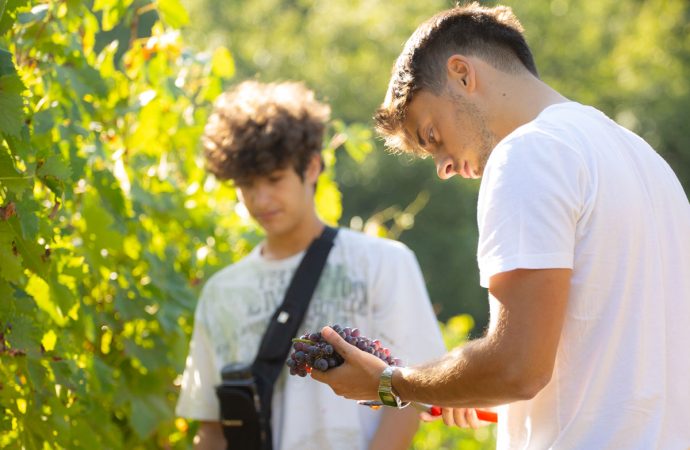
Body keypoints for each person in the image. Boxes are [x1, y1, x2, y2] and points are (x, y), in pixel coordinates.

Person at [311, 3, 690, 449]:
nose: (444, 167)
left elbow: (519, 368)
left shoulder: (528, 153)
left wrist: (391, 383)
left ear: (462, 75)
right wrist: (468, 381)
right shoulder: (645, 161)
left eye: (432, 136)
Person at [175, 80, 446, 450]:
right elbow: (214, 428)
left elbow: (409, 400)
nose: (261, 198)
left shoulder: (383, 263)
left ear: (313, 167)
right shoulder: (221, 292)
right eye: (247, 184)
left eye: (274, 179)